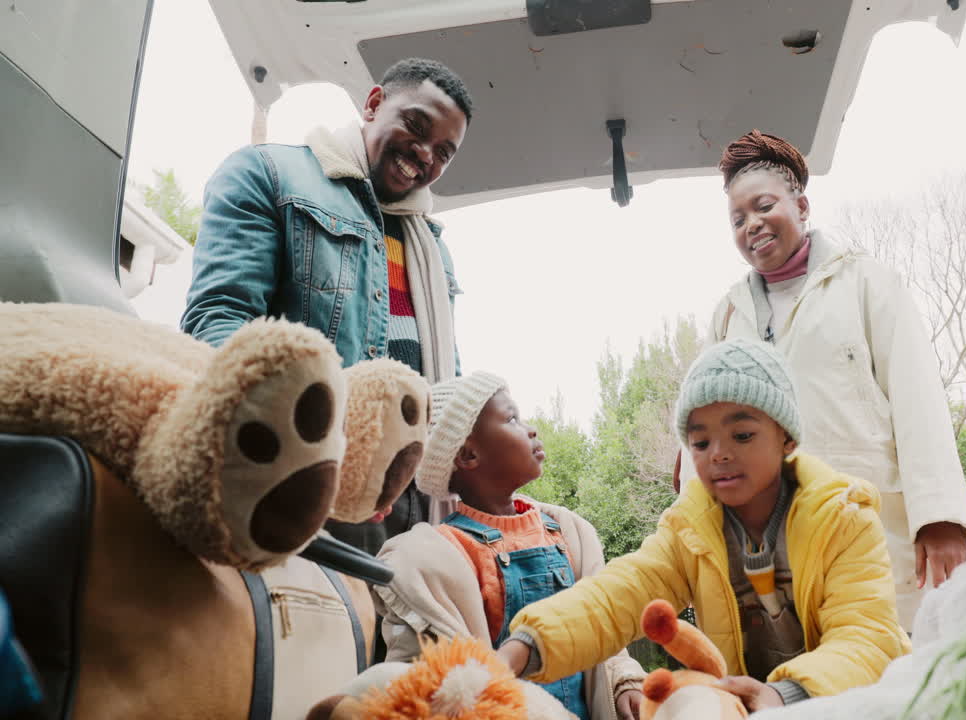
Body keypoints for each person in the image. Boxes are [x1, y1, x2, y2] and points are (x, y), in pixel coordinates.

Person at [496, 339, 909, 712]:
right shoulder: (689, 529)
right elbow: (619, 594)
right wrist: (529, 643)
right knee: (689, 701)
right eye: (701, 442)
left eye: (742, 435)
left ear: (787, 438)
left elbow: (866, 637)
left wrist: (784, 695)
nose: (719, 454)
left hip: (843, 706)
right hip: (741, 706)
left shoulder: (844, 519)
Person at [180, 58, 474, 555]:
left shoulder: (433, 248)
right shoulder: (267, 174)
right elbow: (218, 324)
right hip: (302, 477)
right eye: (416, 126)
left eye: (443, 152)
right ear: (374, 104)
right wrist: (332, 445)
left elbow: (447, 384)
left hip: (412, 501)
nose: (425, 155)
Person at [689, 129, 966, 631]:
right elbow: (702, 434)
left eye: (764, 206)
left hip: (870, 529)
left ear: (801, 206)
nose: (752, 224)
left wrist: (940, 517)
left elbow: (918, 399)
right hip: (768, 551)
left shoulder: (867, 282)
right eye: (738, 219)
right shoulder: (728, 315)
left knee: (886, 659)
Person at [373, 372, 647, 720]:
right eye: (512, 419)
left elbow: (602, 624)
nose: (531, 429)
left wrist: (623, 681)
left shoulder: (567, 533)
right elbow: (416, 673)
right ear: (469, 455)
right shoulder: (444, 554)